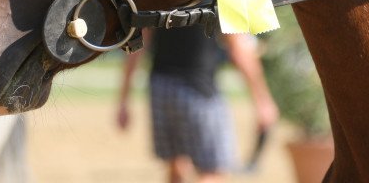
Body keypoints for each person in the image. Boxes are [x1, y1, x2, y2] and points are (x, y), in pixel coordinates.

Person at [116, 25, 279, 183]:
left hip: (161, 87)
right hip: (198, 90)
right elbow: (238, 47)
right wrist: (262, 100)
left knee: (177, 167)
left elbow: (139, 44)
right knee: (215, 172)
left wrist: (124, 99)